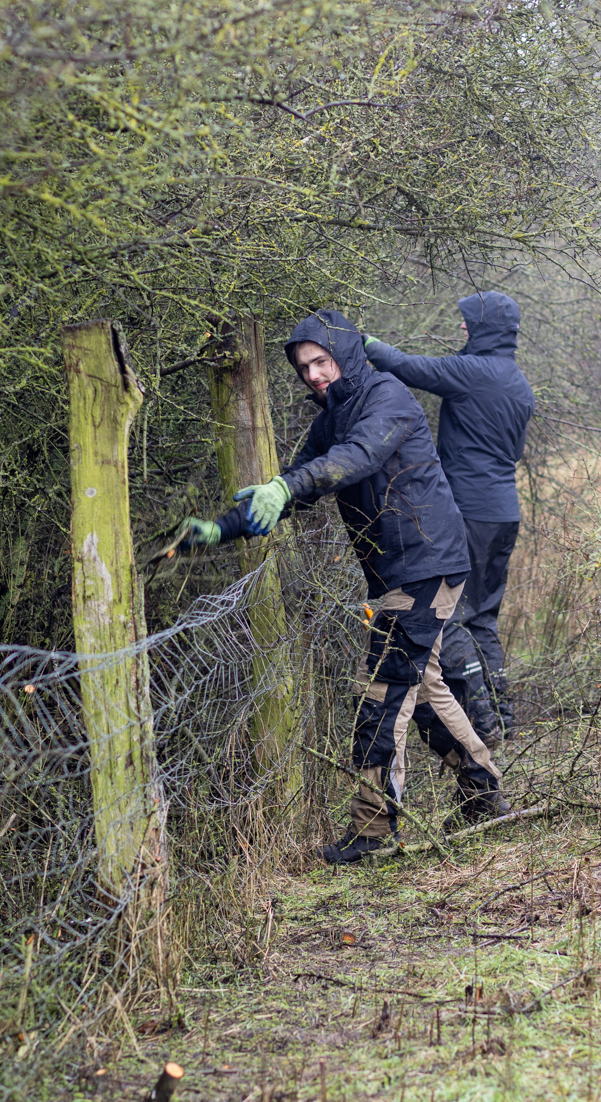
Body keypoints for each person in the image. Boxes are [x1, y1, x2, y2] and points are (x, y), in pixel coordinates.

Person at [179, 308, 509, 864]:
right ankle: (482, 793)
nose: (312, 375)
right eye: (304, 367)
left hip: (426, 563)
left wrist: (287, 484)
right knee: (421, 690)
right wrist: (219, 529)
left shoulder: (388, 397)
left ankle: (375, 830)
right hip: (397, 571)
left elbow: (358, 457)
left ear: (347, 355)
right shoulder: (331, 418)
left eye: (321, 361)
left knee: (384, 689)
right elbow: (297, 486)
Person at [363, 292, 534, 737]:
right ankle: (503, 717)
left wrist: (359, 341)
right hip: (504, 514)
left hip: (469, 511)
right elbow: (514, 452)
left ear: (486, 328)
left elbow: (408, 367)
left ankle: (481, 719)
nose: (461, 328)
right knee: (484, 616)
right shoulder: (518, 384)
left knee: (452, 612)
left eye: (467, 322)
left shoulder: (475, 372)